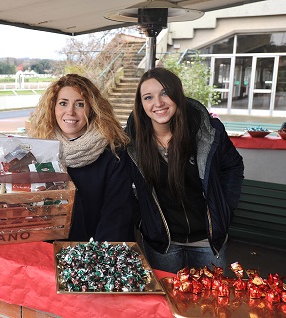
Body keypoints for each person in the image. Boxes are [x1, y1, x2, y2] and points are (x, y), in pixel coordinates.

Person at [124, 67, 244, 273]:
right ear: (141, 104)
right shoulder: (131, 143)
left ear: (177, 94)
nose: (158, 103)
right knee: (166, 302)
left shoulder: (208, 131)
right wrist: (144, 222)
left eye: (165, 93)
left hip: (208, 242)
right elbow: (125, 188)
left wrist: (225, 208)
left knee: (211, 302)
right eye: (148, 97)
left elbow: (233, 166)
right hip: (163, 244)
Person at [29, 73, 135, 242]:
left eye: (79, 104)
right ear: (53, 107)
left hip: (94, 253)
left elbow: (116, 215)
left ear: (91, 110)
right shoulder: (39, 149)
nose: (70, 112)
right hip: (49, 248)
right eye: (63, 103)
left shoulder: (113, 152)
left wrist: (93, 257)